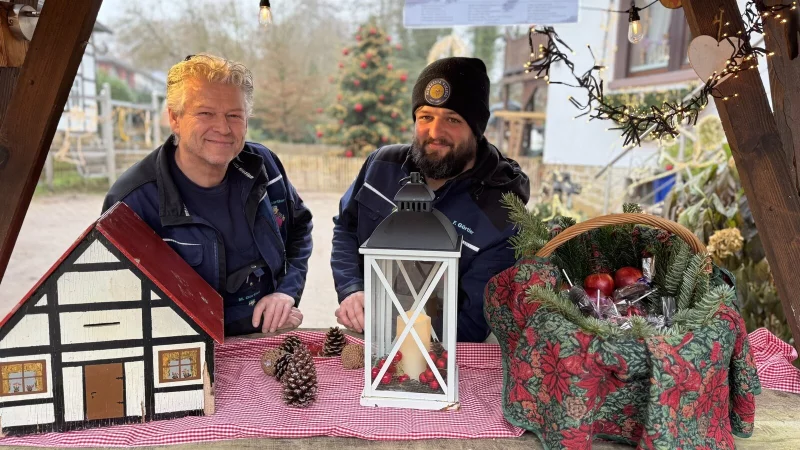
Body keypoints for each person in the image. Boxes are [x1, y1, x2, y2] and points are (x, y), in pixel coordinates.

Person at [103, 53, 313, 336]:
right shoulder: (131, 202)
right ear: (174, 118)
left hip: (266, 339)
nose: (223, 128)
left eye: (234, 115)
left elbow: (300, 228)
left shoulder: (265, 166)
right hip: (184, 350)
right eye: (205, 113)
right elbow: (123, 302)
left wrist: (286, 292)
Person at [330, 57, 531, 342]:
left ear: (477, 128)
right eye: (426, 117)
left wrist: (398, 335)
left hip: (441, 353)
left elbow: (473, 322)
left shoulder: (500, 212)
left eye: (452, 119)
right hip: (365, 338)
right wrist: (352, 289)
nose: (435, 132)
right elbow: (346, 229)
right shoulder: (380, 166)